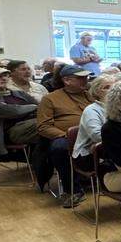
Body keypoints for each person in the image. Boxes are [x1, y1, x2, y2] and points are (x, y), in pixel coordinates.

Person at [37, 64, 93, 207]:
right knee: (60, 148)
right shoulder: (50, 99)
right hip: (65, 136)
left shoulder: (90, 95)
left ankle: (108, 180)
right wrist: (66, 136)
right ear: (67, 80)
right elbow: (44, 127)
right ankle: (72, 190)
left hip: (92, 134)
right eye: (81, 78)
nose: (86, 80)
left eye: (86, 77)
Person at [73, 74, 121, 174]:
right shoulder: (91, 110)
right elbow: (97, 136)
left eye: (115, 87)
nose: (112, 90)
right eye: (107, 87)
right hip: (89, 154)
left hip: (111, 149)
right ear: (97, 92)